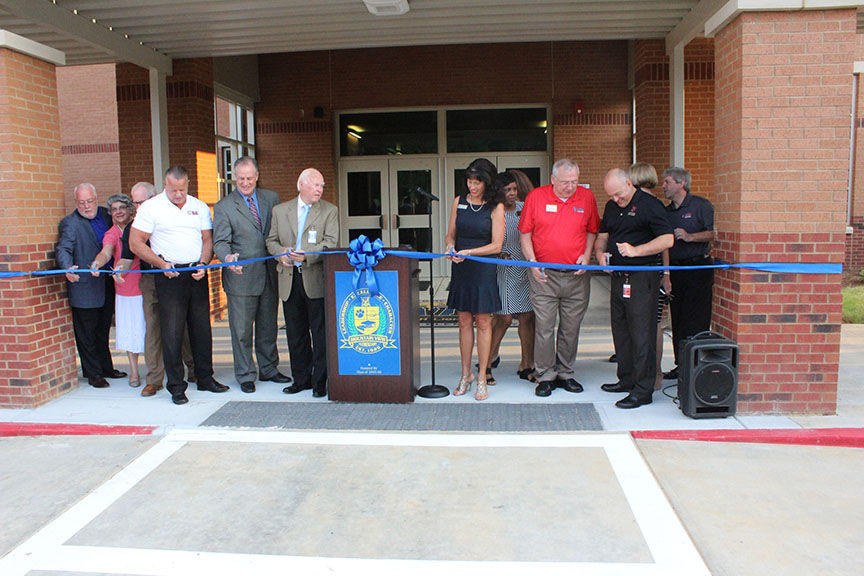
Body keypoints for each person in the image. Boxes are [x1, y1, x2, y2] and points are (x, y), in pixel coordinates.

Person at [130, 166, 229, 405]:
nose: (178, 195)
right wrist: (161, 263)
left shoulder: (199, 206)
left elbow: (207, 239)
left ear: (188, 185)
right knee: (172, 333)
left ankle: (205, 378)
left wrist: (204, 263)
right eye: (173, 190)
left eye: (182, 190)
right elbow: (136, 243)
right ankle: (176, 386)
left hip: (196, 272)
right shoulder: (151, 207)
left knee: (201, 330)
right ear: (165, 185)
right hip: (169, 275)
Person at [518, 159, 600, 397]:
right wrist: (532, 263)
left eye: (574, 181)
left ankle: (565, 373)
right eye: (565, 182)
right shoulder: (536, 197)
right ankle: (545, 375)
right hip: (544, 274)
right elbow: (525, 234)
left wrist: (587, 256)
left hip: (576, 275)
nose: (570, 186)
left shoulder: (586, 197)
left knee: (571, 327)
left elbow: (592, 230)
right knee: (544, 327)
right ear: (553, 179)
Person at [596, 168, 673, 409]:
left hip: (643, 277)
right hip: (618, 276)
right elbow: (602, 234)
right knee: (621, 330)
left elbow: (667, 239)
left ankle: (643, 390)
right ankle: (626, 379)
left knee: (642, 334)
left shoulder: (650, 205)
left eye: (619, 194)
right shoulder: (611, 206)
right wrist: (600, 255)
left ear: (629, 183)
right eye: (611, 196)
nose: (616, 200)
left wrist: (637, 251)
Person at [213, 157, 291, 393]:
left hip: (269, 274)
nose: (245, 182)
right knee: (242, 330)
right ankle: (246, 374)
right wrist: (227, 260)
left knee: (268, 326)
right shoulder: (224, 206)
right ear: (234, 178)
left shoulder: (271, 198)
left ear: (257, 176)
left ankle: (268, 369)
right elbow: (220, 242)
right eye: (240, 178)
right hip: (241, 276)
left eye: (249, 178)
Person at [266, 168, 339, 398]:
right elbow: (271, 240)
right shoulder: (280, 211)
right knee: (295, 334)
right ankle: (301, 379)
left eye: (321, 185)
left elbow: (331, 243)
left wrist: (306, 254)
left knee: (319, 333)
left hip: (314, 278)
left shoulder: (329, 211)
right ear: (301, 185)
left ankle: (320, 381)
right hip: (289, 278)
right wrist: (281, 254)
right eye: (315, 185)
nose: (319, 189)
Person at [119, 182, 196, 397]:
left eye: (141, 201)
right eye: (134, 202)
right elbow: (127, 256)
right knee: (152, 330)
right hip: (151, 281)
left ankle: (193, 370)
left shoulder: (169, 217)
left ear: (153, 199)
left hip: (175, 278)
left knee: (181, 328)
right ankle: (154, 379)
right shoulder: (134, 227)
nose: (137, 206)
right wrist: (118, 272)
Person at [56, 183, 126, 388]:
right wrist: (68, 268)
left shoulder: (106, 215)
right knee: (86, 333)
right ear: (75, 203)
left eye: (89, 201)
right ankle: (93, 373)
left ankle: (106, 367)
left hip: (106, 283)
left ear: (96, 199)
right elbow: (63, 248)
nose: (86, 206)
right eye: (81, 203)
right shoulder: (70, 223)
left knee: (103, 329)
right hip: (84, 285)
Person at [445, 158, 504, 401]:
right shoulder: (458, 202)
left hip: (483, 266)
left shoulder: (495, 206)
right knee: (463, 320)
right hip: (461, 267)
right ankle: (465, 374)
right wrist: (451, 248)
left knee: (483, 321)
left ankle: (482, 377)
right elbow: (450, 235)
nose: (472, 186)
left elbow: (497, 245)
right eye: (469, 181)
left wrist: (469, 252)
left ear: (487, 182)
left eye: (477, 182)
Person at [661, 166, 715, 380]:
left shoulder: (701, 205)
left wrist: (690, 236)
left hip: (698, 269)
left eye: (667, 182)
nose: (663, 186)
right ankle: (681, 364)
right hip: (676, 270)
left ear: (681, 183)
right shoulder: (666, 212)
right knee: (679, 319)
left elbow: (714, 233)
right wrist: (666, 274)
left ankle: (697, 365)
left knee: (697, 319)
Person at [91, 194, 144, 388]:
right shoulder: (112, 233)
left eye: (122, 207)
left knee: (151, 331)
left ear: (131, 209)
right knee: (130, 332)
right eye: (114, 209)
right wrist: (97, 263)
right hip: (124, 289)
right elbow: (106, 252)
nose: (118, 211)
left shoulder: (140, 227)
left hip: (146, 286)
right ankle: (134, 372)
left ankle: (158, 371)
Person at [488, 171, 536, 385]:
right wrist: (497, 254)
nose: (511, 193)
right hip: (503, 267)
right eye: (507, 190)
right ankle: (488, 358)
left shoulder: (524, 208)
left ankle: (527, 364)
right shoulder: (494, 211)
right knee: (504, 317)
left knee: (527, 317)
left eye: (514, 189)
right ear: (498, 191)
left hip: (524, 264)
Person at [628, 161, 667, 390]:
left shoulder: (652, 205)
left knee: (654, 323)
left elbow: (665, 243)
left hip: (652, 272)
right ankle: (643, 371)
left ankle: (655, 372)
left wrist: (666, 273)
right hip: (641, 271)